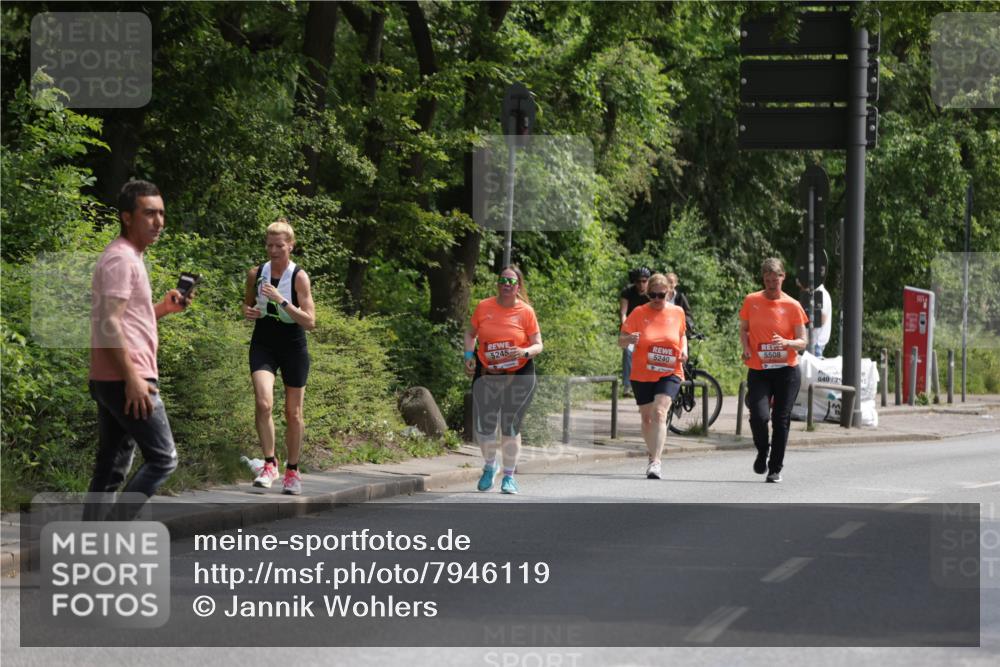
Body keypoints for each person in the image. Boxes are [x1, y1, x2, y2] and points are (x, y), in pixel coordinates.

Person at [86, 180, 191, 519]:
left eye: (161, 213)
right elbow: (109, 324)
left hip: (112, 376)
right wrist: (132, 378)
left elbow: (127, 319)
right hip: (128, 377)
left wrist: (162, 308)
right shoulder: (121, 260)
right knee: (163, 458)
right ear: (127, 217)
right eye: (149, 213)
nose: (158, 221)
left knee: (112, 467)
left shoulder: (128, 257)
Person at [242, 219, 316, 495]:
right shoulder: (255, 273)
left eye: (279, 246)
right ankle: (269, 464)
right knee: (263, 403)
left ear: (291, 246)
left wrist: (281, 300)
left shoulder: (299, 277)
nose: (273, 251)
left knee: (293, 413)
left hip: (293, 344)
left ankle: (292, 471)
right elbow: (247, 304)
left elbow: (310, 321)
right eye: (269, 245)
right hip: (263, 342)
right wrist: (248, 311)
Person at [464, 266, 542, 495]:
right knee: (484, 425)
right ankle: (490, 466)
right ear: (497, 284)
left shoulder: (526, 311)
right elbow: (470, 334)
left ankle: (509, 476)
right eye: (502, 280)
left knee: (509, 424)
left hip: (519, 373)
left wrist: (524, 352)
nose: (506, 284)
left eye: (511, 281)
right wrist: (469, 356)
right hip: (487, 372)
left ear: (518, 287)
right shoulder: (484, 306)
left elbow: (538, 344)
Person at [739, 258, 808, 483]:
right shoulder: (752, 301)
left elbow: (803, 341)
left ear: (782, 278)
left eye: (775, 281)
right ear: (763, 279)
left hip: (786, 370)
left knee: (781, 419)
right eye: (767, 281)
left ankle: (775, 468)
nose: (771, 285)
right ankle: (762, 449)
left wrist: (788, 343)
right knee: (759, 416)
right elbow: (744, 329)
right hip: (759, 369)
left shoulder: (793, 305)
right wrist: (746, 348)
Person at [619, 273, 688, 479]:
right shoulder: (639, 312)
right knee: (647, 418)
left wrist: (684, 350)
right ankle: (651, 455)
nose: (657, 299)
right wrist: (629, 338)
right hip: (642, 372)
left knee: (659, 412)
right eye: (652, 295)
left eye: (661, 295)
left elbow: (682, 334)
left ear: (669, 292)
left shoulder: (677, 312)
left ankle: (656, 461)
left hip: (670, 370)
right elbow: (621, 341)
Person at [619, 267, 651, 397]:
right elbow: (623, 313)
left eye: (644, 281)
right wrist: (626, 327)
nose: (641, 284)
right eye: (638, 281)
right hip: (631, 328)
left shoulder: (652, 294)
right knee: (628, 351)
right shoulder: (628, 291)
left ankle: (648, 383)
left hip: (648, 329)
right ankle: (627, 386)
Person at [796, 278, 832, 357]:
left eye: (802, 287)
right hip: (813, 344)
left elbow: (821, 318)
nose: (802, 289)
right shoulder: (816, 293)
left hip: (815, 344)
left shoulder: (820, 293)